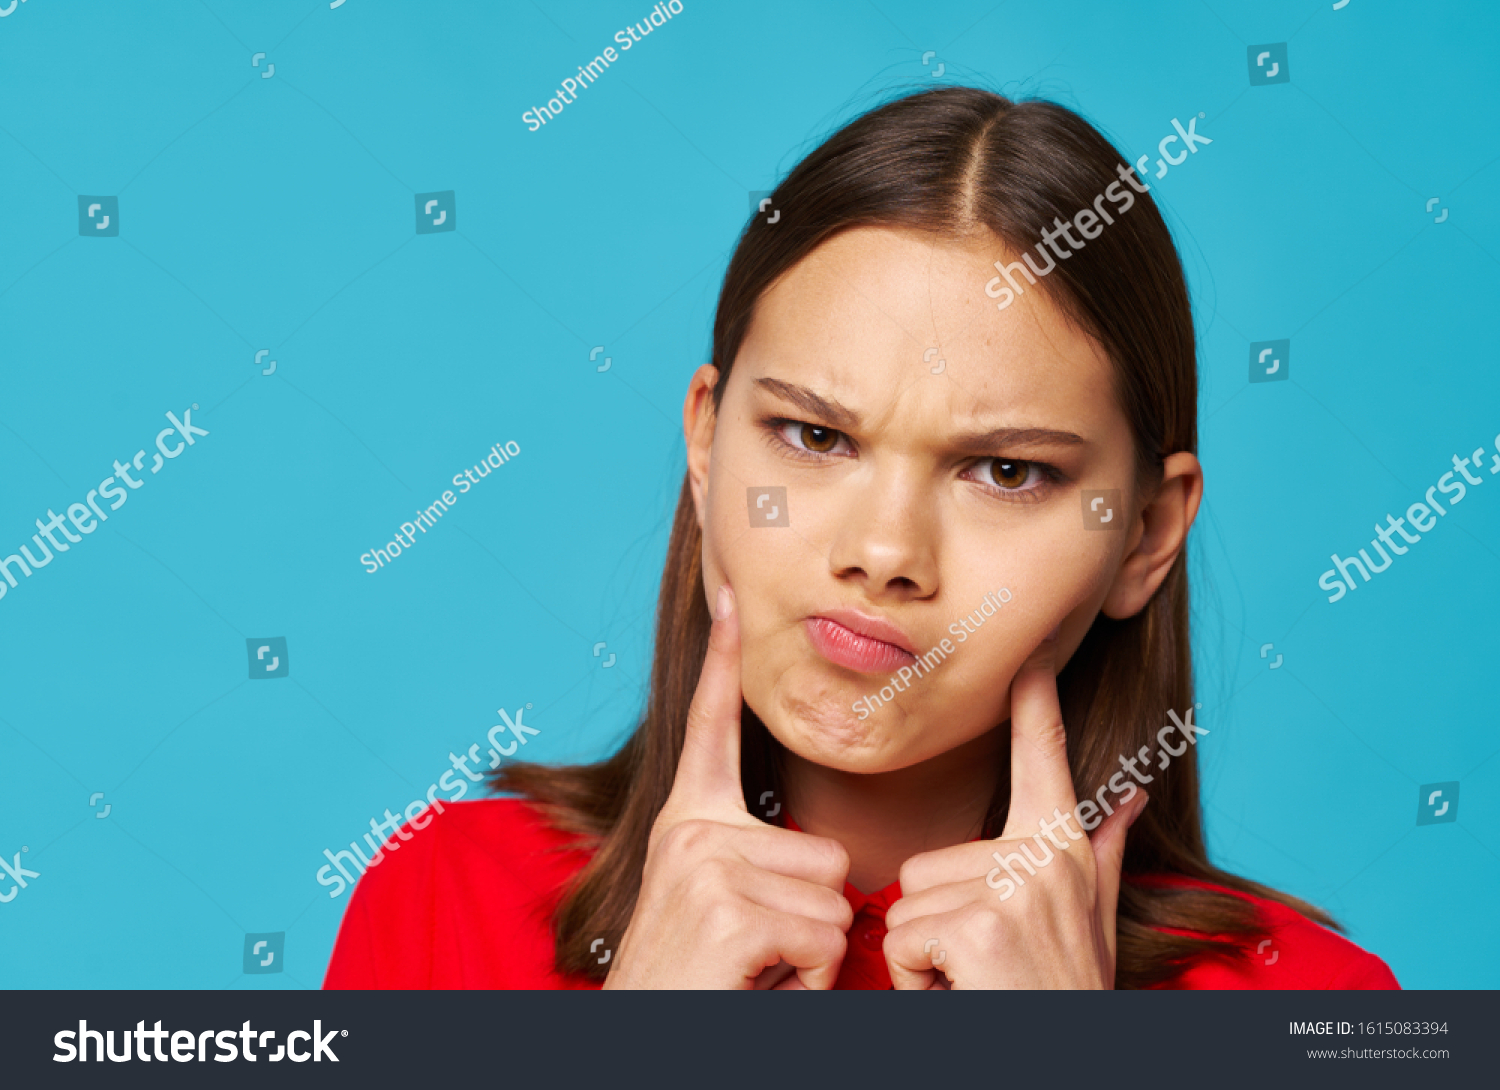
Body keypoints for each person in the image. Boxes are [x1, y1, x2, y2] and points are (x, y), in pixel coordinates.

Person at [324, 86, 1398, 990]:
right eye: (814, 436)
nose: (883, 553)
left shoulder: (1316, 1000)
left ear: (1146, 537)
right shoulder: (442, 908)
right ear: (706, 449)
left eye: (1006, 471)